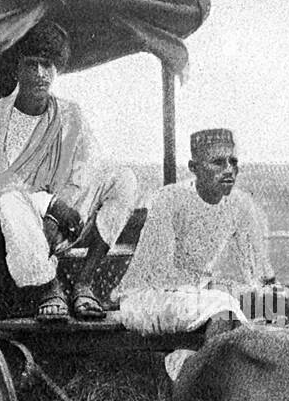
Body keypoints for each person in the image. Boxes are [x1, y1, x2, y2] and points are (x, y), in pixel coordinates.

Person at [0, 21, 138, 321]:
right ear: (16, 69)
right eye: (31, 64)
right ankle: (49, 286)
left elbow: (86, 170)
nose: (39, 74)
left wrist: (60, 211)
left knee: (122, 178)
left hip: (66, 221)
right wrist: (47, 205)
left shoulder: (71, 114)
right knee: (9, 197)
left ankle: (84, 282)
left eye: (46, 65)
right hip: (14, 225)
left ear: (56, 69)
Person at [116, 128, 279, 335]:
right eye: (218, 163)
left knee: (275, 302)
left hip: (198, 297)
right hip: (147, 298)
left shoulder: (240, 203)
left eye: (233, 162)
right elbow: (159, 275)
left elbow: (258, 270)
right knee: (223, 306)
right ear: (194, 168)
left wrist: (268, 289)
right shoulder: (169, 199)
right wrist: (216, 287)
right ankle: (193, 365)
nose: (229, 170)